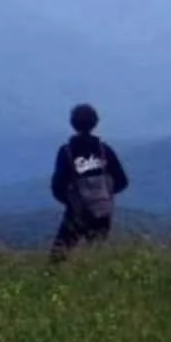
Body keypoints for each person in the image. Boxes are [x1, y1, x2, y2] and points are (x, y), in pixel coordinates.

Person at [48, 102, 128, 262]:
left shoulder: (67, 152)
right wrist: (104, 194)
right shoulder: (104, 150)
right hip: (102, 211)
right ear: (95, 122)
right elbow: (122, 181)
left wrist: (71, 201)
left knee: (58, 256)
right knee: (97, 256)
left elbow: (57, 186)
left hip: (77, 212)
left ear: (72, 124)